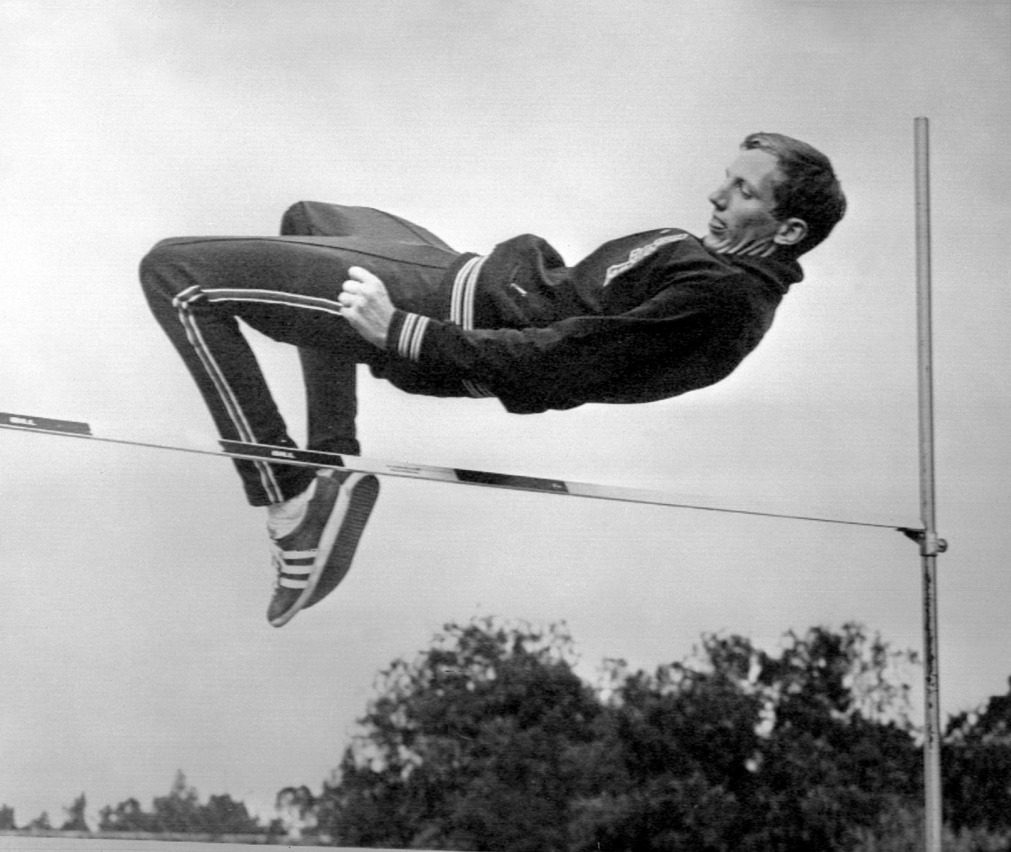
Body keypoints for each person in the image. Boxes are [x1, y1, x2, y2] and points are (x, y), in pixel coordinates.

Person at [140, 131, 846, 627]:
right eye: (726, 179)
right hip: (462, 273)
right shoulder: (718, 274)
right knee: (307, 219)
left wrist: (404, 333)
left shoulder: (721, 302)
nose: (716, 194)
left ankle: (287, 501)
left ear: (785, 231)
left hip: (438, 306)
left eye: (741, 190)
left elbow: (559, 366)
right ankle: (329, 466)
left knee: (175, 274)